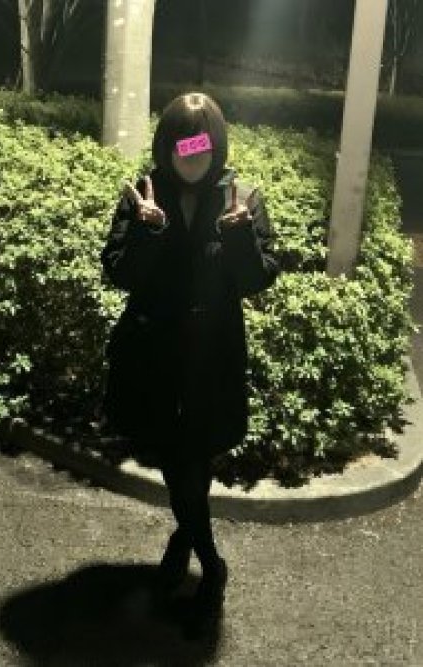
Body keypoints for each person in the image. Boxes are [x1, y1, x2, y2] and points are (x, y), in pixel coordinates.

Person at [100, 92, 280, 635]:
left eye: (202, 147)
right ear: (168, 147)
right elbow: (119, 273)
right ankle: (190, 544)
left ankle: (207, 561)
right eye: (184, 147)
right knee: (175, 456)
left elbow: (258, 279)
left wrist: (239, 236)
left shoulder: (241, 199)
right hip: (155, 355)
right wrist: (148, 230)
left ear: (216, 146)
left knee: (191, 458)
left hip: (211, 357)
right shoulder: (145, 194)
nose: (193, 159)